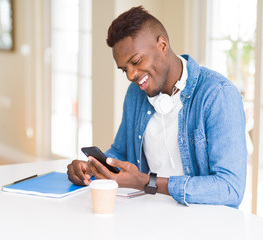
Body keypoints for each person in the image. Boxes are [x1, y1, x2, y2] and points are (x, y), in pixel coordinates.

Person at [67, 6, 246, 208]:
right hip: (150, 214)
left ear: (162, 45)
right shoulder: (136, 94)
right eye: (124, 69)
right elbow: (122, 152)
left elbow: (231, 188)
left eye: (136, 61)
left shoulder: (218, 94)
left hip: (204, 222)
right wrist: (94, 167)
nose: (131, 75)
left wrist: (146, 182)